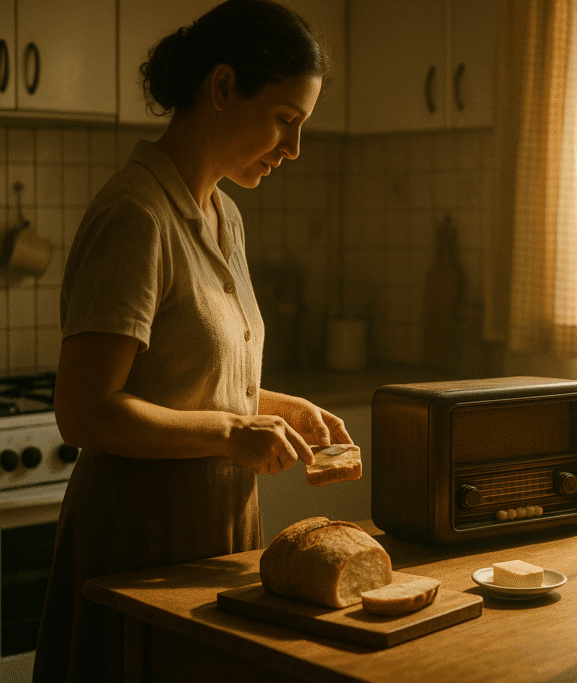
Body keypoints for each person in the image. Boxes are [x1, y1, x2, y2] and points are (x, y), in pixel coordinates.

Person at [33, 2, 347, 680]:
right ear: (223, 87)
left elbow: (187, 378)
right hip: (137, 548)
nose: (293, 148)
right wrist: (234, 432)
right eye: (284, 119)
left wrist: (279, 408)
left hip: (216, 539)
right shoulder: (136, 215)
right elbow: (84, 411)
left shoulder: (224, 216)